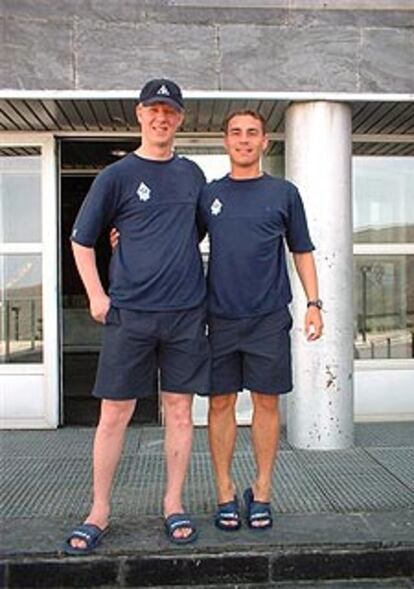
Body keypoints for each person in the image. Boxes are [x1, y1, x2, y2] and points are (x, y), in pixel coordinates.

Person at [64, 78, 210, 554]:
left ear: (180, 119)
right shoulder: (117, 176)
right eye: (154, 110)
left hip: (185, 312)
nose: (161, 117)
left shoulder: (192, 175)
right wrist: (97, 297)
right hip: (131, 314)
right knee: (114, 415)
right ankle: (99, 509)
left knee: (180, 411)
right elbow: (81, 240)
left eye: (170, 111)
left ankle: (173, 503)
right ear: (139, 114)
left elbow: (203, 231)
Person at [198, 110, 323, 531]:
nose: (244, 140)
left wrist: (314, 303)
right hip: (219, 319)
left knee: (267, 404)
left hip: (269, 317)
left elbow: (301, 249)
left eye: (252, 133)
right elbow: (178, 240)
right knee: (220, 404)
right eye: (236, 133)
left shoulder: (284, 193)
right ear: (225, 141)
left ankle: (263, 491)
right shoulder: (209, 195)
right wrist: (130, 238)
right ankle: (225, 493)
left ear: (265, 142)